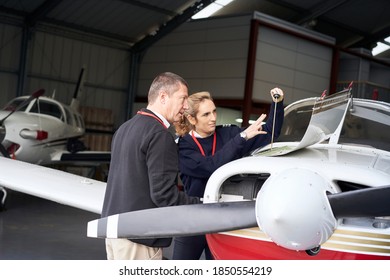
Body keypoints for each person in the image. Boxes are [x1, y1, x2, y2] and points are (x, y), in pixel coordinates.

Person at [172, 88, 285, 260]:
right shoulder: (183, 147)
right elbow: (210, 167)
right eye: (206, 114)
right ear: (191, 119)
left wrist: (277, 104)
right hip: (193, 219)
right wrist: (241, 138)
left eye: (214, 111)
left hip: (221, 219)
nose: (213, 118)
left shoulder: (228, 134)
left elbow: (270, 134)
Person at [101, 72, 201, 260]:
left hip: (114, 232)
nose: (186, 106)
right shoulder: (160, 136)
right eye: (183, 98)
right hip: (139, 237)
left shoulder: (124, 128)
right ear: (163, 97)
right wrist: (201, 205)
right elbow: (164, 195)